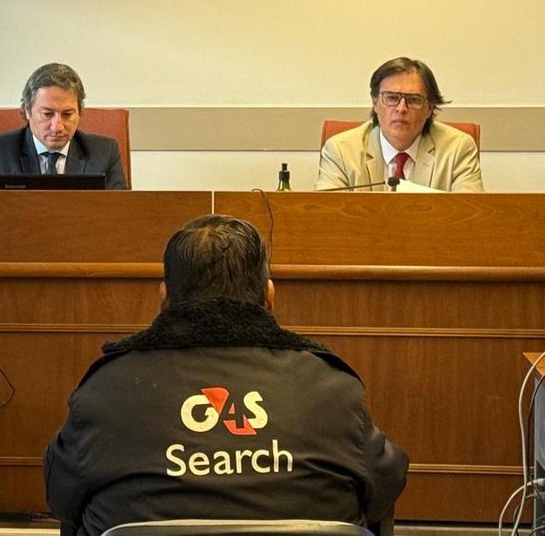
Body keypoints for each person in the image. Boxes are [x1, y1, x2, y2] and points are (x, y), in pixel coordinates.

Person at [44, 215, 407, 535]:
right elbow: (383, 489)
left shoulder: (106, 388)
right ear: (269, 295)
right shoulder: (334, 388)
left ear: (164, 296)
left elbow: (62, 497)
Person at [316, 57, 483, 192]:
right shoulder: (341, 151)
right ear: (375, 102)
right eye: (392, 98)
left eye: (413, 100)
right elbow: (327, 216)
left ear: (429, 108)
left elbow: (470, 216)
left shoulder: (458, 149)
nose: (401, 108)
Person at [0, 62, 127, 190]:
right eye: (47, 114)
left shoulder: (104, 153)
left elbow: (119, 211)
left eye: (67, 114)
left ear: (80, 112)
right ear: (28, 111)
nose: (57, 127)